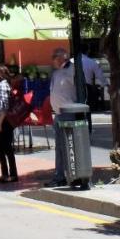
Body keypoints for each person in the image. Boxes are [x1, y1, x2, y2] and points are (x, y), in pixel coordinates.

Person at [47, 47, 77, 186]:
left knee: (67, 146)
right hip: (58, 114)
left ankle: (69, 175)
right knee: (59, 147)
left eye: (53, 57)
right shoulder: (56, 73)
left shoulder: (72, 70)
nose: (51, 60)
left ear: (61, 58)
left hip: (68, 112)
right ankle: (60, 176)